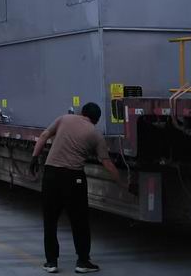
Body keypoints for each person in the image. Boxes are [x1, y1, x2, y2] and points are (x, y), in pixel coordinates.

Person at [29, 102, 125, 274]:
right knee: (79, 221)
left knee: (50, 221)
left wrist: (34, 158)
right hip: (73, 178)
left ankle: (51, 262)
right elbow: (107, 163)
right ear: (96, 120)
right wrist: (123, 184)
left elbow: (44, 135)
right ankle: (83, 262)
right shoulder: (95, 134)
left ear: (82, 112)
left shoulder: (64, 119)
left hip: (51, 175)